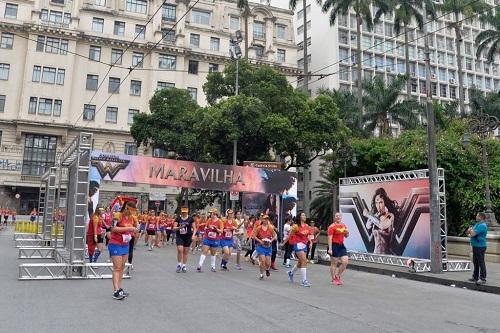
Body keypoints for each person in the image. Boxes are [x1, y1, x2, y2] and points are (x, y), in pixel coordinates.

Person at [109, 201, 137, 300]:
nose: (131, 214)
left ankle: (119, 289)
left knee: (122, 267)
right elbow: (112, 229)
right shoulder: (118, 215)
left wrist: (133, 231)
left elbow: (131, 230)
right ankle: (115, 291)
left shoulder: (131, 218)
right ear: (126, 208)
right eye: (130, 211)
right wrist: (129, 228)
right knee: (117, 267)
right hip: (115, 244)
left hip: (125, 244)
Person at [365, 188, 397, 255]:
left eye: (380, 202)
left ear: (385, 202)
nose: (378, 206)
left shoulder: (390, 215)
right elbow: (368, 226)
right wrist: (373, 216)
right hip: (375, 255)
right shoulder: (375, 216)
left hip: (387, 256)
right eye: (376, 203)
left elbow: (382, 226)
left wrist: (368, 215)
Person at [287, 212, 313, 287]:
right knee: (304, 260)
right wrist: (284, 242)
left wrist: (310, 242)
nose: (305, 216)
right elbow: (290, 235)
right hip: (297, 245)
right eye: (303, 215)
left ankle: (291, 273)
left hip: (304, 245)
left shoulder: (307, 226)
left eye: (305, 215)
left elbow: (309, 235)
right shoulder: (295, 226)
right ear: (299, 217)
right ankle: (304, 280)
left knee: (300, 262)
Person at [327, 213, 349, 285]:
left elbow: (346, 236)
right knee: (334, 263)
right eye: (336, 216)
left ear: (341, 217)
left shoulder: (343, 225)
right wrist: (330, 249)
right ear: (334, 218)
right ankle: (333, 279)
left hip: (341, 245)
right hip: (334, 245)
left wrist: (347, 233)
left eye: (339, 216)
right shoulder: (332, 227)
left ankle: (338, 276)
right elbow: (329, 238)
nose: (338, 217)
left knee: (345, 262)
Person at [467, 212, 488, 284]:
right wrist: (470, 231)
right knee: (475, 262)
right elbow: (468, 232)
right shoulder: (477, 224)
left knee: (481, 262)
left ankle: (483, 278)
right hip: (475, 246)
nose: (476, 216)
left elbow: (472, 233)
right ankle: (475, 277)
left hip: (480, 246)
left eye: (477, 215)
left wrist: (471, 230)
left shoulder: (482, 226)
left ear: (480, 217)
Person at [253, 215, 277, 280]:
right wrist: (260, 241)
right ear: (262, 220)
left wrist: (271, 241)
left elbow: (275, 235)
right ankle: (261, 274)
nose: (265, 220)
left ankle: (267, 269)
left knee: (268, 263)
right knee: (262, 261)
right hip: (260, 246)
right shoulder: (259, 228)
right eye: (264, 219)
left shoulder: (270, 228)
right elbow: (254, 236)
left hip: (268, 247)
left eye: (267, 219)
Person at [174, 207, 195, 273]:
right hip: (179, 236)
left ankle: (184, 265)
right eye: (183, 212)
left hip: (188, 236)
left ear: (187, 212)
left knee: (185, 251)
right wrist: (180, 227)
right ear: (181, 212)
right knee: (180, 250)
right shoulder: (178, 218)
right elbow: (174, 228)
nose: (184, 213)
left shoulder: (191, 218)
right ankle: (179, 264)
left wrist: (193, 235)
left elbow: (195, 228)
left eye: (185, 212)